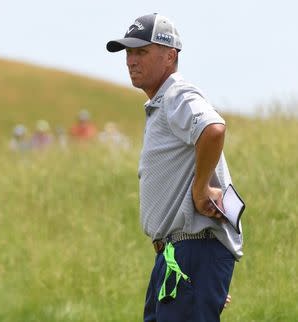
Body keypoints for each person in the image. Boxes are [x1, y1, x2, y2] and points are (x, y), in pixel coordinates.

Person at [107, 13, 243, 322]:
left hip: (192, 251)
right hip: (177, 256)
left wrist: (200, 189)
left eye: (141, 51)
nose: (130, 60)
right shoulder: (162, 102)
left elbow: (213, 128)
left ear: (170, 56)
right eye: (128, 52)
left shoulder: (175, 94)